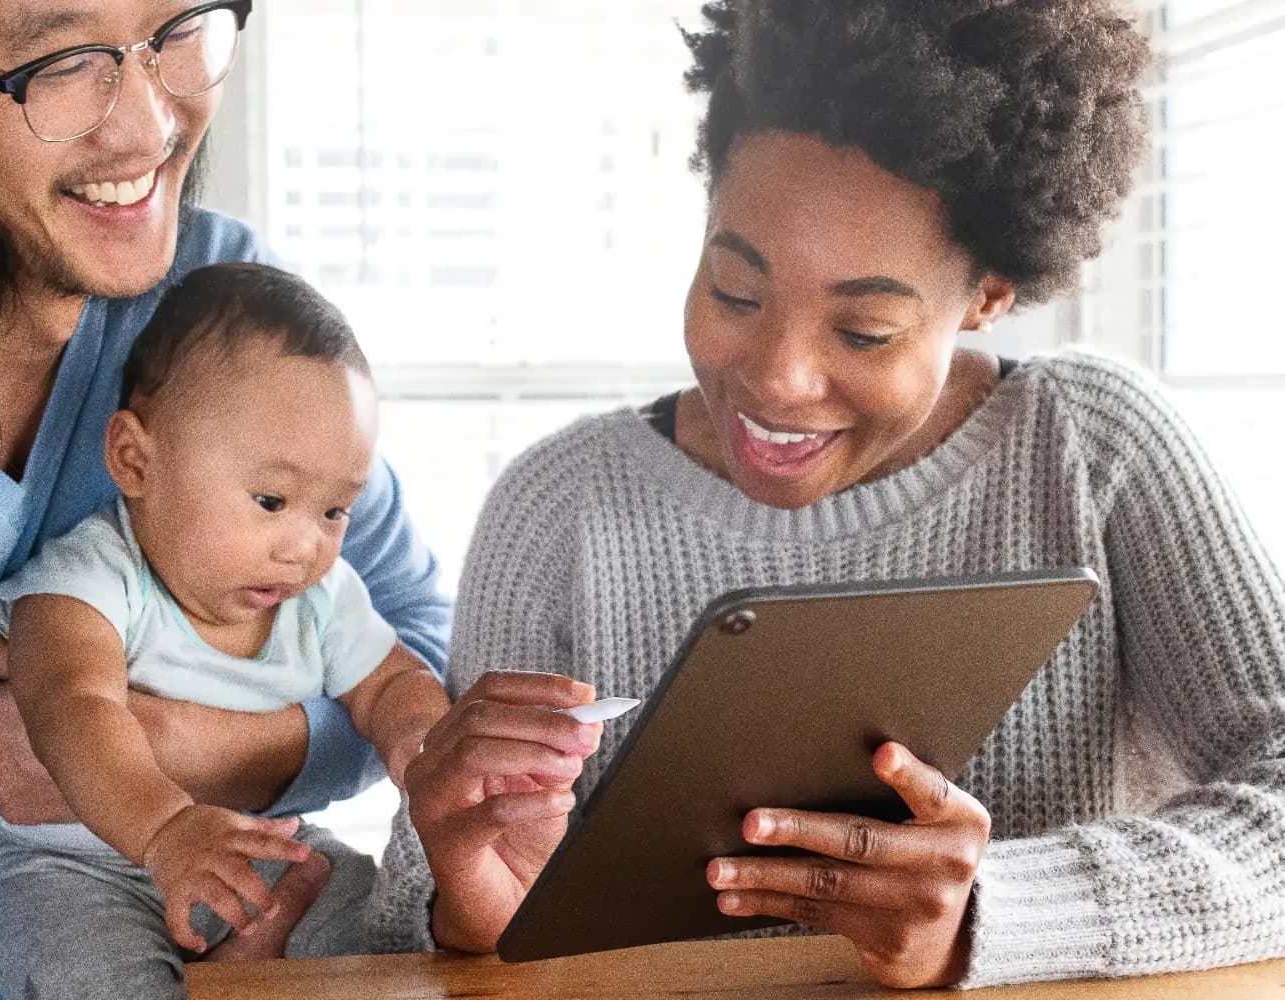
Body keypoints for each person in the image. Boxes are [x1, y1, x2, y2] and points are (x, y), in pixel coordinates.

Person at [357, 0, 1285, 990]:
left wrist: (990, 913)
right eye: (735, 290)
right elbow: (421, 909)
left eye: (865, 330)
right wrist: (471, 897)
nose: (778, 379)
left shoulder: (1093, 449)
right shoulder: (558, 505)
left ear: (988, 295)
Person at [0, 2, 450, 997]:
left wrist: (181, 752)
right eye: (60, 60)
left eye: (181, 24)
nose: (149, 124)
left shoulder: (220, 314)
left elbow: (419, 657)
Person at [0, 263, 451, 998]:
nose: (304, 545)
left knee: (383, 941)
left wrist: (423, 742)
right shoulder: (87, 581)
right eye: (271, 500)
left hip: (259, 847)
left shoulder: (320, 597)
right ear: (135, 460)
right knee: (99, 978)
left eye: (334, 511)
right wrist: (167, 832)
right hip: (72, 872)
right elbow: (74, 708)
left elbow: (393, 683)